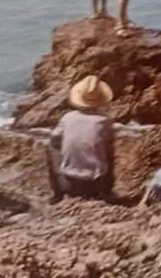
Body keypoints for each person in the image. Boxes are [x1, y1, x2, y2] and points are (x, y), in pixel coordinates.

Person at [47, 75, 116, 203]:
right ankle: (108, 191)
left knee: (50, 146)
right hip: (96, 185)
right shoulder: (105, 121)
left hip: (68, 185)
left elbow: (54, 139)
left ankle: (57, 194)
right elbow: (108, 153)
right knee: (108, 150)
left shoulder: (67, 117)